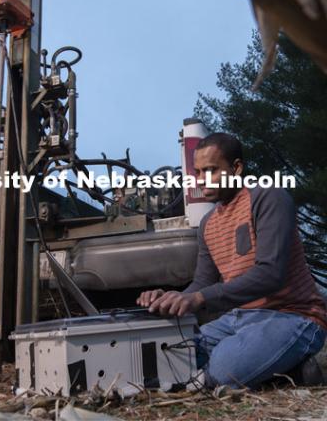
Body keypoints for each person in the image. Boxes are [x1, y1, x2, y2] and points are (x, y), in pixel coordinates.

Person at [137, 133, 327, 388]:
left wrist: (200, 298)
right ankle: (281, 369)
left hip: (293, 315)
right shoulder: (208, 223)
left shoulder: (268, 198)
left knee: (222, 373)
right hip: (238, 318)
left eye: (211, 170)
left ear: (236, 168)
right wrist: (172, 297)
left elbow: (271, 274)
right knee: (174, 354)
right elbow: (202, 283)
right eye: (199, 171)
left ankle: (287, 367)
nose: (202, 179)